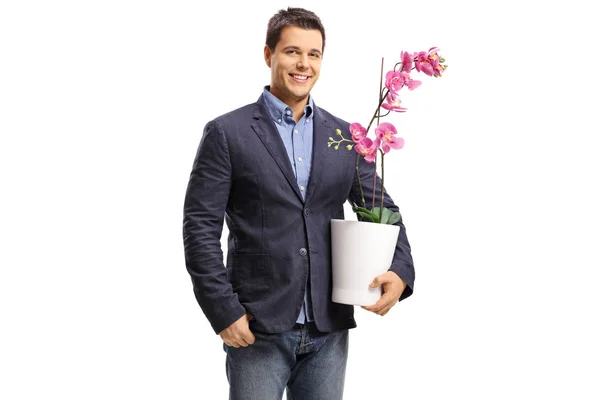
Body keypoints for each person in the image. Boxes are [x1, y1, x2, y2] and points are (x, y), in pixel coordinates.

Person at [182, 7, 415, 400]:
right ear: (268, 54)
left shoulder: (344, 135)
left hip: (329, 327)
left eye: (314, 54)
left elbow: (380, 207)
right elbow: (199, 228)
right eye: (292, 51)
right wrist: (223, 311)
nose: (303, 64)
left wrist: (400, 269)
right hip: (257, 327)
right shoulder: (227, 133)